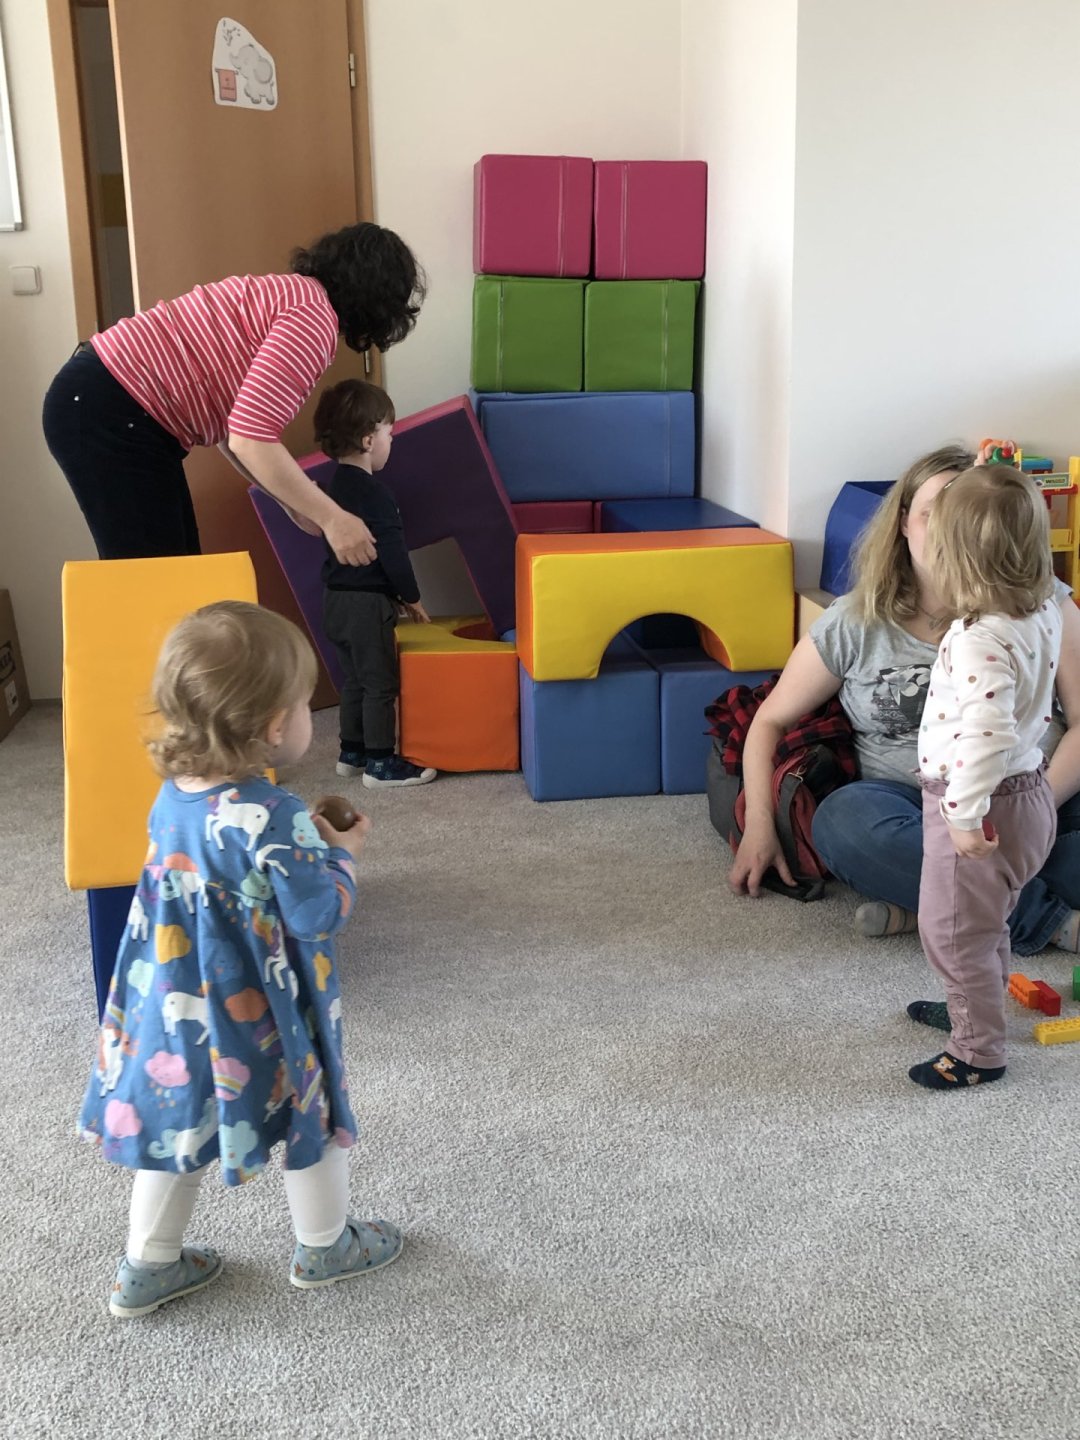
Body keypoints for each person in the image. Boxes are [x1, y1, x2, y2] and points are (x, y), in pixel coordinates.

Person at [78, 601, 402, 1318]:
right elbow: (317, 915)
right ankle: (325, 1245)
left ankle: (147, 1267)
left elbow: (223, 872)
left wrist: (302, 846)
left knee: (179, 1124)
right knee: (310, 1113)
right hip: (259, 1015)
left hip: (176, 1008)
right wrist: (341, 856)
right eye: (304, 703)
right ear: (275, 726)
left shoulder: (172, 798)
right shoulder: (276, 815)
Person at [728, 444, 1080, 959]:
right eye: (935, 513)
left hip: (1033, 794)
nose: (950, 531)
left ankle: (933, 909)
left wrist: (1033, 807)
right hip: (913, 808)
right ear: (903, 525)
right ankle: (1047, 920)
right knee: (843, 823)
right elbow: (770, 721)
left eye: (963, 514)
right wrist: (760, 825)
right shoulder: (856, 621)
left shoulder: (1041, 601)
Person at [43, 222, 425, 566]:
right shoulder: (312, 319)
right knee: (156, 579)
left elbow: (234, 430)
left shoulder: (291, 295)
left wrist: (293, 503)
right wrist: (332, 519)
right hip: (110, 407)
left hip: (105, 401)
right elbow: (250, 438)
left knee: (177, 570)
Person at [905, 466, 1061, 1089]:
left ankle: (977, 1051)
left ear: (956, 562)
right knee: (984, 924)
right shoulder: (1044, 609)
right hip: (1029, 794)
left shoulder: (979, 640)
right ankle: (976, 1004)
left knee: (951, 934)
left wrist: (964, 816)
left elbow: (986, 733)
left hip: (981, 806)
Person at [315, 379, 437, 789]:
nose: (392, 440)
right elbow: (393, 554)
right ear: (368, 440)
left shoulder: (333, 489)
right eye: (389, 432)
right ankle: (381, 764)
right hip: (366, 605)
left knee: (354, 680)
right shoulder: (376, 494)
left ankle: (352, 752)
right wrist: (412, 597)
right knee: (380, 684)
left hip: (334, 600)